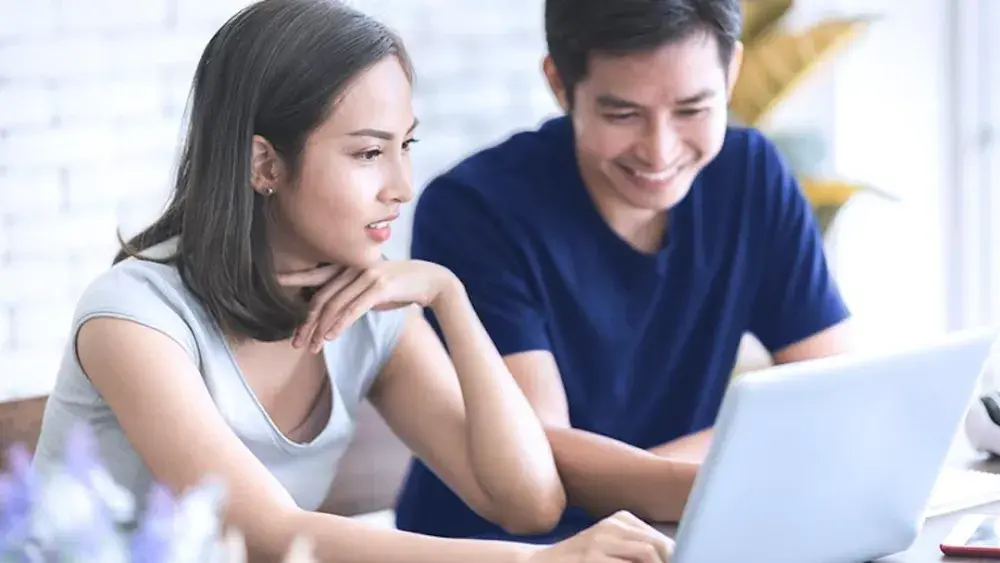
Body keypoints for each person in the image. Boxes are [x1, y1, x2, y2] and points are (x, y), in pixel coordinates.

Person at [29, 1, 675, 561]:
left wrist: (449, 297)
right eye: (369, 152)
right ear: (264, 163)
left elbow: (528, 500)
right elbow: (267, 534)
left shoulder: (370, 306)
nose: (401, 187)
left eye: (406, 146)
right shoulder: (133, 318)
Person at [396, 0, 855, 544]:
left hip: (679, 528)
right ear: (560, 85)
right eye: (622, 114)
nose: (660, 151)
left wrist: (676, 484)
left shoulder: (750, 174)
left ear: (732, 72)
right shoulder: (474, 210)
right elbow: (539, 458)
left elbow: (831, 394)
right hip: (503, 547)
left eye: (691, 110)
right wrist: (722, 474)